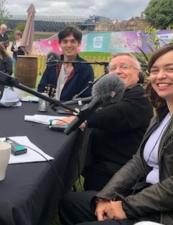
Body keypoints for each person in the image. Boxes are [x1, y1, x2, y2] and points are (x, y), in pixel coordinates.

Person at [59, 43, 173, 225]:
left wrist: (126, 207)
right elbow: (138, 162)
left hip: (172, 213)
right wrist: (105, 197)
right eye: (155, 70)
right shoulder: (162, 114)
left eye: (170, 69)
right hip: (146, 197)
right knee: (70, 202)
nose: (160, 76)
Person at [59, 53, 153, 191]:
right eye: (113, 68)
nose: (118, 71)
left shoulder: (140, 97)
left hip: (117, 171)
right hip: (100, 165)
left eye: (124, 67)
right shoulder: (114, 95)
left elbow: (114, 114)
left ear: (138, 73)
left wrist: (83, 119)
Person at [37, 26, 94, 101]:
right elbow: (41, 89)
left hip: (71, 110)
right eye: (65, 41)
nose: (69, 45)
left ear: (79, 44)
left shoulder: (86, 69)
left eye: (73, 41)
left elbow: (86, 97)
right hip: (48, 109)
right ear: (60, 44)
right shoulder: (52, 65)